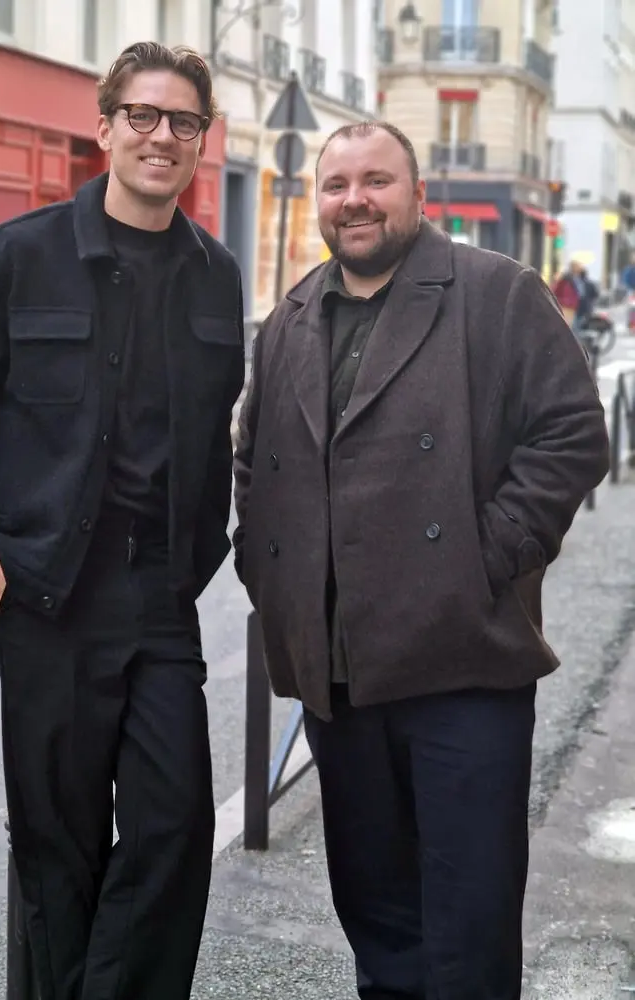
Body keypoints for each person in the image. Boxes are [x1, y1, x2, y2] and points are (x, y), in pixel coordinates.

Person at [0, 42, 245, 1000]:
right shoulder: (14, 257)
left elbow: (215, 442)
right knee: (59, 850)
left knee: (175, 832)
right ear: (105, 126)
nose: (161, 136)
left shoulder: (217, 275)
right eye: (143, 115)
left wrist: (193, 562)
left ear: (202, 141)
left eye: (182, 122)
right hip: (45, 597)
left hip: (161, 601)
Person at [233, 121, 609, 1000]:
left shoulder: (496, 291)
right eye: (337, 185)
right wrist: (268, 570)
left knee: (468, 931)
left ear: (417, 194)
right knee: (379, 922)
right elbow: (254, 458)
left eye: (376, 181)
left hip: (461, 670)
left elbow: (572, 434)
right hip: (339, 677)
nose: (354, 200)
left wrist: (486, 560)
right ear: (319, 200)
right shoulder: (291, 315)